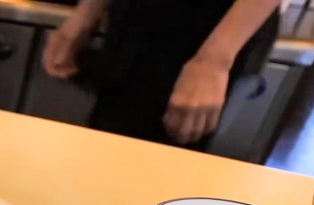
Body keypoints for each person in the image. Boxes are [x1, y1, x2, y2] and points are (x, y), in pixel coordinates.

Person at [42, 0, 281, 147]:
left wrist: (213, 60)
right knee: (107, 148)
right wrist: (88, 11)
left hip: (215, 28)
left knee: (178, 176)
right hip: (139, 19)